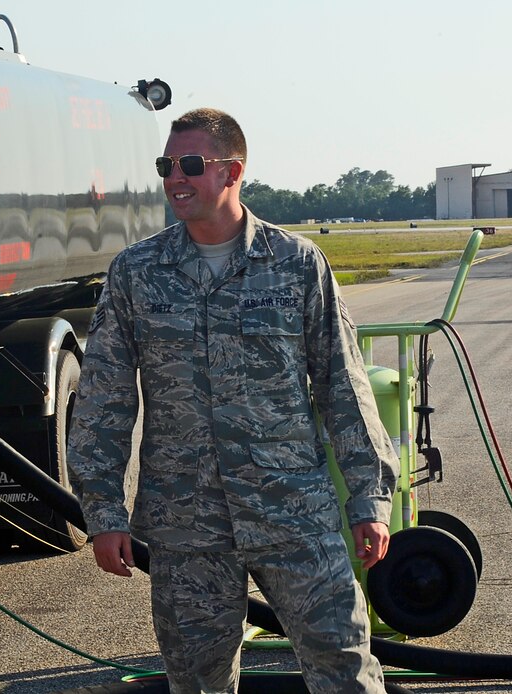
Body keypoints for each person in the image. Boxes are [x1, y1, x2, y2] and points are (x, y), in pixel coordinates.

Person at [67, 108, 399, 694]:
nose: (176, 178)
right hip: (187, 525)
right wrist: (103, 511)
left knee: (345, 668)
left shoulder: (296, 266)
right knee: (197, 683)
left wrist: (369, 497)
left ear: (232, 171)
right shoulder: (136, 274)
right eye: (167, 166)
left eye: (190, 165)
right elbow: (103, 400)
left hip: (294, 515)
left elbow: (342, 387)